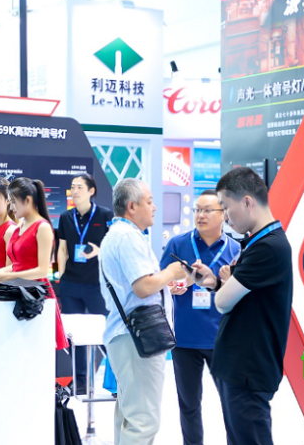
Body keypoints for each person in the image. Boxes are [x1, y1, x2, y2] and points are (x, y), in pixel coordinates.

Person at [194, 167, 292, 445]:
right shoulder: (259, 242)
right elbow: (243, 297)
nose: (225, 216)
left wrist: (225, 286)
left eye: (226, 207)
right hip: (239, 367)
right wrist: (217, 282)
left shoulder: (268, 247)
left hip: (248, 369)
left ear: (247, 202)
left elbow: (223, 302)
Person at [99, 178, 187, 445]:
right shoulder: (128, 237)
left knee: (129, 416)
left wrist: (166, 287)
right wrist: (170, 272)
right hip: (136, 339)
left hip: (127, 336)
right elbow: (142, 287)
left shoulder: (119, 235)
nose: (154, 207)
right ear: (132, 206)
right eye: (149, 202)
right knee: (143, 421)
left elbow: (136, 286)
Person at [159, 190, 240, 445]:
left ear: (223, 214)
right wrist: (172, 285)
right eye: (197, 210)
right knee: (189, 405)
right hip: (184, 338)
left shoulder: (235, 249)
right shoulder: (178, 244)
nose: (200, 215)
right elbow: (160, 279)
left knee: (232, 404)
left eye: (207, 210)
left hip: (222, 339)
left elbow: (243, 293)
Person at [0, 177, 68, 350]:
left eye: (13, 202)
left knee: (38, 349)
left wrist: (7, 276)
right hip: (18, 291)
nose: (11, 207)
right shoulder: (19, 227)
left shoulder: (42, 227)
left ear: (27, 200)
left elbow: (42, 270)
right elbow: (17, 264)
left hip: (36, 295)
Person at [56, 173, 113, 393]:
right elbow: (62, 249)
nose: (75, 191)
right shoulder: (65, 217)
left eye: (80, 187)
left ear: (91, 191)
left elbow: (113, 246)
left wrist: (100, 251)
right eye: (73, 187)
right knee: (76, 334)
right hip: (71, 284)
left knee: (107, 333)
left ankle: (116, 379)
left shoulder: (105, 215)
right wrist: (62, 275)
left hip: (97, 285)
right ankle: (80, 382)